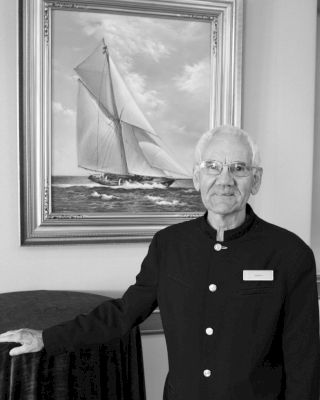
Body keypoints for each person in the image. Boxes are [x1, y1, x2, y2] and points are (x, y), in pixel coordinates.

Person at [0, 125, 319, 399]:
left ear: (256, 179)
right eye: (212, 166)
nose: (225, 179)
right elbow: (123, 314)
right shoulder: (169, 244)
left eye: (238, 168)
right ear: (196, 177)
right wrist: (46, 338)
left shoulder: (290, 254)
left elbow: (303, 358)